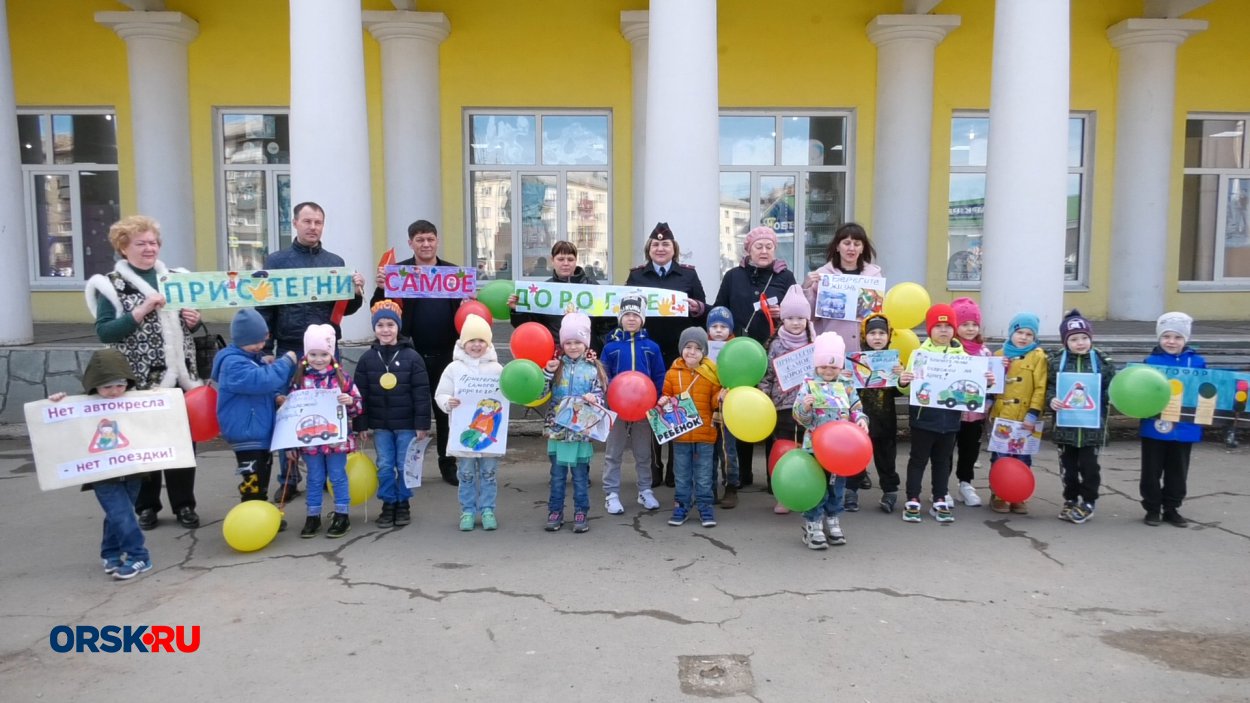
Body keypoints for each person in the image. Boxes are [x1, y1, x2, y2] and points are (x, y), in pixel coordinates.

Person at [85, 215, 203, 531]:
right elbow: (106, 332)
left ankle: (184, 505)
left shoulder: (176, 278)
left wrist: (193, 319)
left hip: (180, 376)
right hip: (141, 380)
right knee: (146, 446)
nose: (149, 248)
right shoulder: (109, 285)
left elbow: (189, 324)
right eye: (141, 243)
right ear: (124, 247)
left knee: (182, 445)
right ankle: (147, 506)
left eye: (153, 242)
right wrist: (140, 310)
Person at [263, 202, 366, 500]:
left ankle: (322, 474)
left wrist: (357, 292)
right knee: (291, 413)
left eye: (318, 222)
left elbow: (346, 307)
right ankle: (289, 478)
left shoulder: (334, 261)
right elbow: (266, 306)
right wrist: (268, 348)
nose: (313, 227)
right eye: (307, 221)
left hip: (326, 352)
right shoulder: (277, 262)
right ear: (294, 223)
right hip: (291, 347)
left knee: (327, 412)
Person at [370, 219, 461, 486]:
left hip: (446, 353)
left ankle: (448, 463)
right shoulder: (397, 272)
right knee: (409, 413)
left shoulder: (453, 273)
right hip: (408, 354)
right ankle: (408, 467)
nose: (426, 244)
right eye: (420, 239)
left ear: (437, 241)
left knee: (445, 411)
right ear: (411, 243)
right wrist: (380, 286)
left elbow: (465, 310)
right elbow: (378, 309)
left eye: (430, 239)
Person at [48, 349, 153, 580]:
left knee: (118, 513)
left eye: (119, 385)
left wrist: (159, 400)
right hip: (102, 472)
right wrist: (57, 403)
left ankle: (111, 552)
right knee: (120, 512)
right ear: (94, 385)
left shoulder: (138, 401)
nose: (114, 392)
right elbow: (62, 424)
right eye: (106, 387)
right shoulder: (81, 406)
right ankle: (139, 556)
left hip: (134, 469)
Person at [625, 223, 710, 489]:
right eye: (656, 244)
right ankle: (654, 469)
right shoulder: (637, 276)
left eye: (666, 245)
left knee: (679, 408)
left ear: (674, 250)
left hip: (679, 353)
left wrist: (697, 307)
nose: (660, 249)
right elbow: (625, 311)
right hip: (647, 352)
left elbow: (703, 310)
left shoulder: (687, 275)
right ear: (648, 249)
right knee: (652, 409)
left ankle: (676, 470)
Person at [712, 225, 797, 487]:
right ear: (748, 249)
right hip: (740, 356)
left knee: (775, 416)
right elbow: (720, 308)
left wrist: (781, 314)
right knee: (742, 411)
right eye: (758, 246)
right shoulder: (733, 276)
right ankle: (742, 475)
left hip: (775, 353)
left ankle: (776, 477)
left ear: (775, 249)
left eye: (769, 246)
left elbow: (797, 312)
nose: (763, 251)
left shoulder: (785, 277)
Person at [353, 300, 431, 529]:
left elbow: (421, 393)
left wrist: (422, 424)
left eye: (390, 324)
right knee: (385, 465)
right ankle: (388, 504)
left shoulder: (412, 357)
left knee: (403, 463)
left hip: (407, 425)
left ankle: (403, 504)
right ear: (374, 328)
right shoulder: (367, 359)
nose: (385, 330)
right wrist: (361, 424)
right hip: (381, 426)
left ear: (398, 327)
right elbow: (361, 394)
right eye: (380, 325)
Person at [211, 309, 298, 505]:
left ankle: (260, 512)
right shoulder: (233, 364)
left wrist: (276, 397)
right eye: (255, 343)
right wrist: (284, 362)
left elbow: (261, 389)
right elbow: (262, 381)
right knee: (253, 481)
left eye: (262, 340)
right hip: (246, 433)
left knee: (262, 473)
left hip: (257, 430)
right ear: (240, 340)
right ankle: (252, 513)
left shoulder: (250, 359)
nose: (261, 346)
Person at [793, 332, 869, 549]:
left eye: (833, 367)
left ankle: (833, 519)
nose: (828, 371)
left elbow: (856, 408)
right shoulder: (808, 385)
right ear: (816, 365)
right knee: (817, 486)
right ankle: (813, 523)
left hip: (841, 450)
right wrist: (805, 407)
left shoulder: (846, 386)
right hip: (815, 448)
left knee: (837, 485)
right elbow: (800, 418)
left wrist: (862, 420)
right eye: (823, 366)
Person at [898, 304, 969, 525]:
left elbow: (970, 385)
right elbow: (907, 388)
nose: (944, 330)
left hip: (950, 419)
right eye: (938, 326)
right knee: (918, 459)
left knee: (942, 461)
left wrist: (985, 381)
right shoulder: (919, 354)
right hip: (923, 417)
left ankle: (940, 497)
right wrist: (903, 381)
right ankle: (912, 498)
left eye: (948, 326)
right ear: (930, 330)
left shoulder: (963, 355)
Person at [290, 324, 363, 539]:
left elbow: (358, 406)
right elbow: (292, 414)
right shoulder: (299, 381)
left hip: (335, 441)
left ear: (331, 354)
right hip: (310, 441)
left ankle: (342, 514)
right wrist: (291, 444)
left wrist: (349, 401)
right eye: (313, 354)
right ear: (306, 355)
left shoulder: (342, 378)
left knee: (338, 476)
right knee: (314, 477)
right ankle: (313, 516)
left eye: (323, 354)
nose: (318, 359)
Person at [435, 314, 505, 531]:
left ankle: (487, 510)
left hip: (489, 439)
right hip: (463, 435)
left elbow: (506, 395)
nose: (476, 345)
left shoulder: (497, 369)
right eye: (472, 340)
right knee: (465, 474)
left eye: (481, 341)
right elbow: (441, 393)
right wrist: (448, 402)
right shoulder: (453, 369)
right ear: (463, 342)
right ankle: (467, 510)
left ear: (488, 343)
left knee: (489, 474)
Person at [1046, 310, 1116, 524]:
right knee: (1067, 468)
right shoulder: (1056, 361)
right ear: (1065, 341)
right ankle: (1070, 499)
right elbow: (1048, 387)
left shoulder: (1103, 362)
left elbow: (1112, 389)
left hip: (1092, 429)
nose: (1080, 343)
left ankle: (1088, 501)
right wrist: (1052, 400)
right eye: (1074, 339)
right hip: (1065, 428)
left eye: (1084, 338)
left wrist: (1107, 397)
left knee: (1090, 467)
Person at [600, 294, 666, 514]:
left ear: (643, 319)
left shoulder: (652, 347)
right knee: (613, 452)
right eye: (626, 314)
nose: (631, 319)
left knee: (643, 453)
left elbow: (659, 375)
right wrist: (607, 402)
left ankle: (645, 490)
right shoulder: (610, 347)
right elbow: (603, 377)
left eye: (635, 315)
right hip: (616, 409)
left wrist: (657, 399)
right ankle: (611, 493)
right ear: (620, 317)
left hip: (644, 409)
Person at [542, 313, 608, 534]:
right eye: (568, 342)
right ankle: (555, 511)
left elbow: (601, 397)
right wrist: (546, 373)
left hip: (581, 432)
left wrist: (594, 399)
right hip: (558, 430)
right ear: (562, 344)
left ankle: (581, 511)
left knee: (580, 476)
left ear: (585, 343)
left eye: (577, 342)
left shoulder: (592, 368)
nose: (572, 347)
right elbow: (541, 392)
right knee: (557, 475)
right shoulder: (555, 366)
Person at [1139, 312, 1205, 527]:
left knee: (1178, 470)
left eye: (1177, 337)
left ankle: (1171, 508)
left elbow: (1205, 392)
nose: (1171, 341)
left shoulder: (1197, 363)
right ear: (1159, 338)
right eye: (1166, 336)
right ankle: (1152, 508)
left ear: (1186, 339)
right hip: (1154, 426)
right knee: (1151, 469)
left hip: (1185, 428)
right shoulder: (1150, 362)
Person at [758, 285, 816, 514]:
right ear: (782, 319)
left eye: (800, 318)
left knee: (808, 449)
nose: (795, 322)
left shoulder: (815, 343)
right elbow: (767, 375)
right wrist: (763, 395)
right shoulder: (775, 345)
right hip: (782, 407)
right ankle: (783, 494)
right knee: (784, 449)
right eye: (790, 317)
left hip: (810, 406)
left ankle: (806, 490)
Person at [662, 327, 724, 529]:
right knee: (681, 475)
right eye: (688, 347)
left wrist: (721, 397)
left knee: (704, 475)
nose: (692, 352)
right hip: (680, 436)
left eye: (698, 348)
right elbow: (666, 396)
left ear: (704, 352)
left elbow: (714, 403)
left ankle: (705, 507)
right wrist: (662, 400)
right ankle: (681, 506)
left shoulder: (711, 373)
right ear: (681, 349)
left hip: (705, 434)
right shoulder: (672, 373)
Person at [988, 312, 1048, 515]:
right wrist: (1000, 371)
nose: (1023, 337)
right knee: (1001, 456)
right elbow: (991, 385)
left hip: (1025, 418)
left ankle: (1019, 494)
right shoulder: (998, 355)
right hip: (1002, 415)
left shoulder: (1038, 356)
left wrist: (1033, 413)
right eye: (1020, 332)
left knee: (1023, 457)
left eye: (1029, 334)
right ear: (1011, 332)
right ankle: (999, 494)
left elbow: (1040, 387)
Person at [509, 240, 613, 353]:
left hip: (587, 355)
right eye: (561, 259)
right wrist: (518, 310)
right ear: (552, 260)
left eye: (570, 259)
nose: (566, 263)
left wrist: (597, 344)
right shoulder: (543, 291)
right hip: (554, 355)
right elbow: (531, 327)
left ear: (576, 261)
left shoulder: (591, 287)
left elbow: (607, 322)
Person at [801, 222, 883, 351]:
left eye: (857, 244)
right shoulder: (823, 275)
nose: (852, 248)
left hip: (865, 349)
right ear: (837, 247)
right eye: (846, 243)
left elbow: (876, 315)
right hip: (830, 349)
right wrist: (806, 288)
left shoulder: (873, 276)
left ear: (862, 248)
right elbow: (810, 316)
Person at [854, 313, 904, 513]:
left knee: (886, 458)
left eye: (882, 333)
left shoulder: (894, 360)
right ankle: (850, 491)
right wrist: (848, 376)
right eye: (872, 333)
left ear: (889, 336)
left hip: (885, 420)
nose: (877, 337)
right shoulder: (856, 359)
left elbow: (899, 391)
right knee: (856, 457)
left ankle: (890, 492)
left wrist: (902, 378)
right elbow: (851, 391)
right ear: (865, 336)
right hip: (860, 420)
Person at [949, 297, 991, 508]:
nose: (970, 328)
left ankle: (965, 484)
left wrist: (991, 381)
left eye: (974, 324)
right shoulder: (948, 351)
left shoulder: (984, 353)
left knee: (969, 451)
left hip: (975, 414)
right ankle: (940, 488)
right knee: (945, 450)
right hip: (950, 412)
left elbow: (991, 384)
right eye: (965, 324)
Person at [707, 306, 741, 508]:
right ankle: (709, 488)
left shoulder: (737, 348)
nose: (719, 330)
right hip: (708, 408)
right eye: (714, 326)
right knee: (707, 451)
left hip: (730, 408)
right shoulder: (702, 348)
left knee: (728, 450)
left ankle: (731, 487)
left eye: (723, 326)